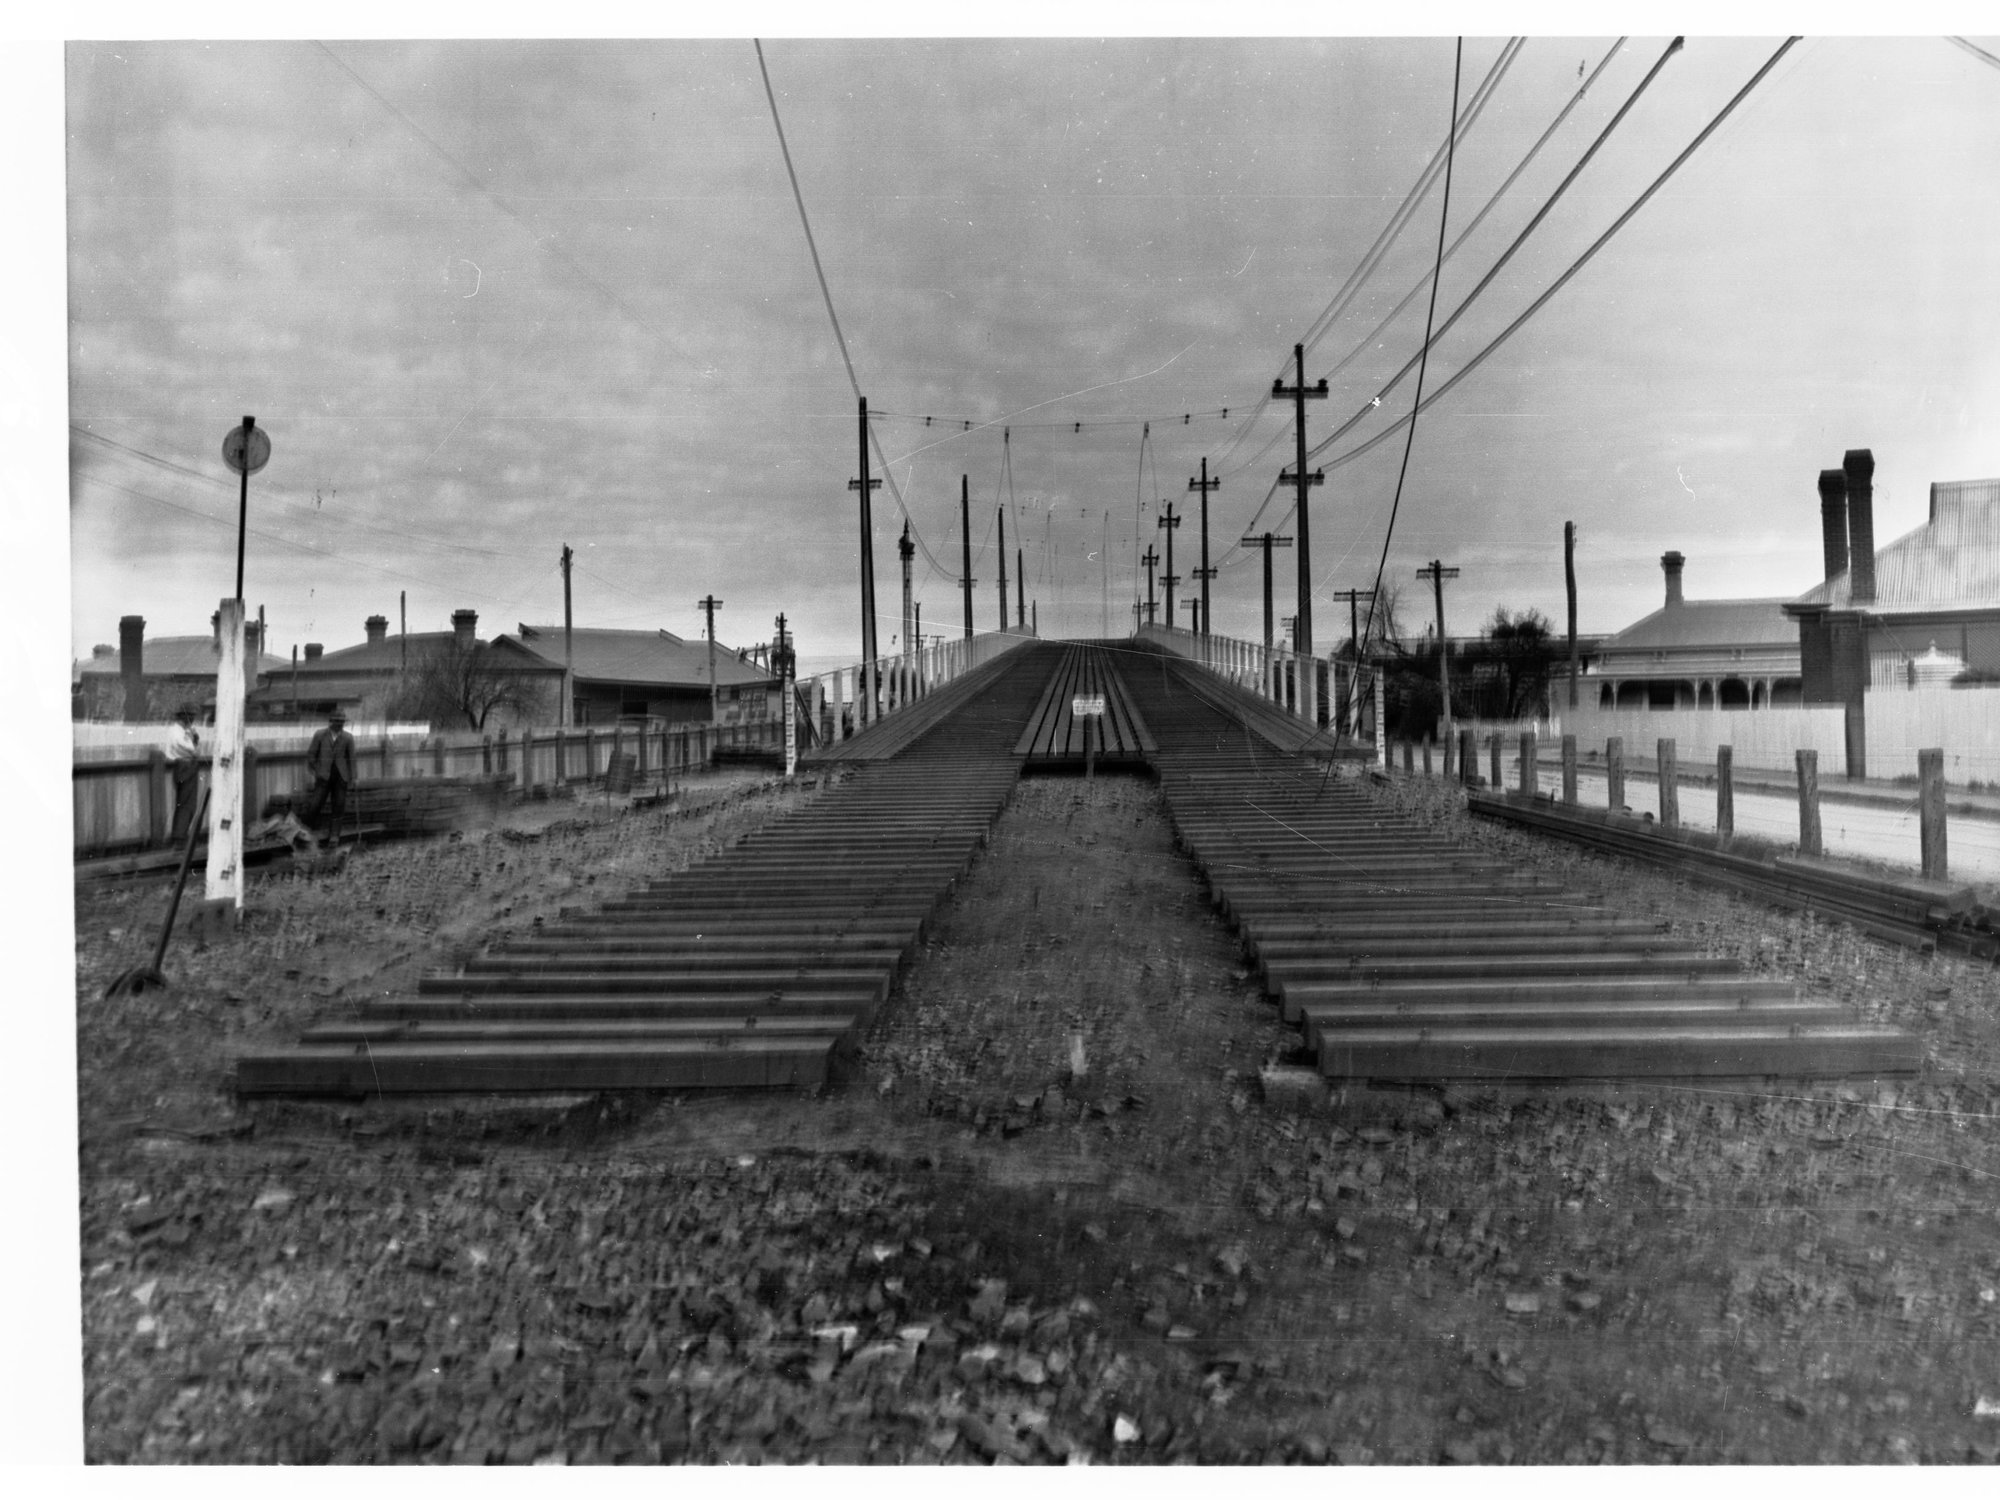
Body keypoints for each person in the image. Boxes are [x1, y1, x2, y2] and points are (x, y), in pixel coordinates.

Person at [303, 708, 358, 842]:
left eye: (342, 722)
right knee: (315, 805)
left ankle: (334, 835)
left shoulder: (348, 737)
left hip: (341, 777)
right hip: (324, 777)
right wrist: (318, 770)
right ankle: (305, 833)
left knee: (339, 805)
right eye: (337, 721)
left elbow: (352, 759)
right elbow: (311, 756)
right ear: (331, 721)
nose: (340, 724)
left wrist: (354, 778)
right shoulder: (320, 735)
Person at [166, 705, 204, 844]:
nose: (193, 719)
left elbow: (194, 749)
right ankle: (180, 836)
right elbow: (191, 750)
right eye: (191, 716)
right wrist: (194, 745)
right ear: (184, 716)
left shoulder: (182, 731)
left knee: (188, 802)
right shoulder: (177, 731)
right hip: (185, 765)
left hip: (185, 765)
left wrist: (194, 740)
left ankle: (181, 834)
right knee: (186, 803)